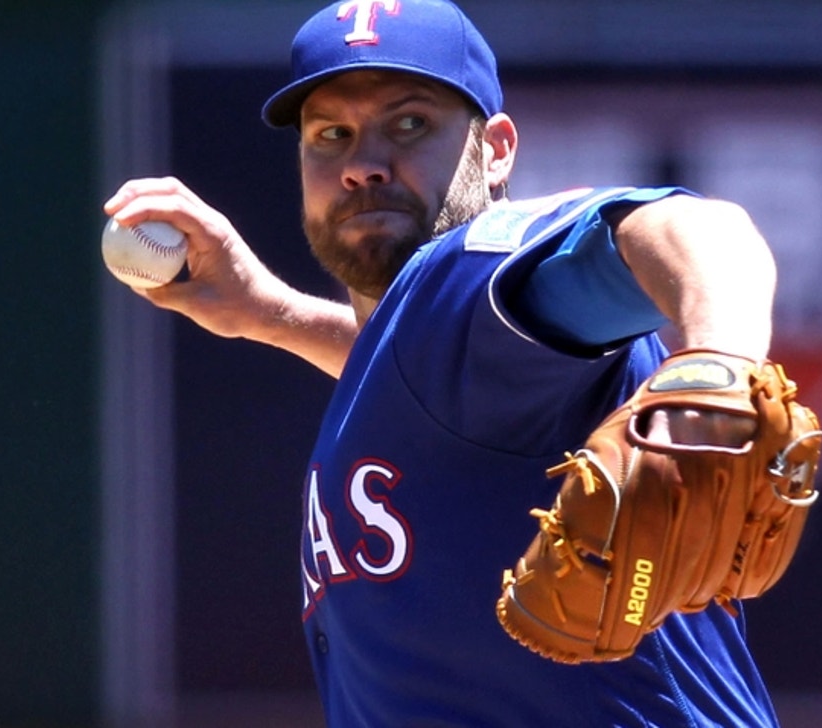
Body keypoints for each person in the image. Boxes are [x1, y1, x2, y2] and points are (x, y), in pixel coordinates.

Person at [104, 0, 782, 724]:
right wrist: (271, 314)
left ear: (495, 151)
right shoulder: (433, 352)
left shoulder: (475, 264)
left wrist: (719, 371)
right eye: (331, 134)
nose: (363, 165)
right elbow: (418, 384)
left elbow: (702, 229)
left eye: (408, 125)